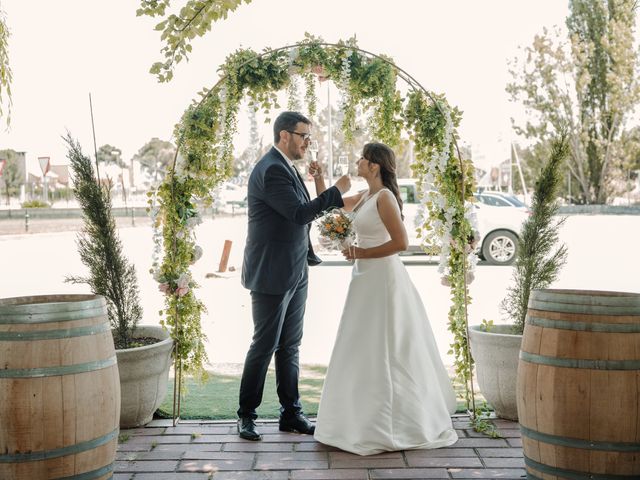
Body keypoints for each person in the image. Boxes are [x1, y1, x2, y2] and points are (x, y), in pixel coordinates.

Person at [313, 142, 458, 455]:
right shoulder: (365, 195)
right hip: (363, 280)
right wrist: (319, 178)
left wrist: (362, 251)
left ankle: (396, 422)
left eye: (362, 157)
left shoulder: (385, 197)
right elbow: (332, 210)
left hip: (383, 280)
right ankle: (357, 421)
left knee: (387, 346)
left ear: (374, 165)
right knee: (361, 345)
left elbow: (401, 242)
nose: (357, 160)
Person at [238, 111, 351, 441]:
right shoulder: (272, 169)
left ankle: (291, 413)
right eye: (304, 136)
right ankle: (246, 415)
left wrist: (321, 184)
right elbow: (300, 213)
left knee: (290, 345)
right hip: (271, 272)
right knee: (264, 344)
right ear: (284, 135)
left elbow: (304, 215)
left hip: (296, 268)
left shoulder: (286, 168)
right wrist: (337, 190)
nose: (308, 143)